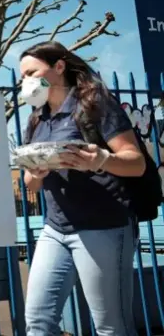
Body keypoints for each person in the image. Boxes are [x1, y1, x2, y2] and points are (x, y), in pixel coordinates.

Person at [19, 41, 144, 336]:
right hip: (55, 230)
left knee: (111, 327)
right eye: (22, 76)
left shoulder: (94, 104)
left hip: (103, 227)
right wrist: (36, 171)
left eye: (32, 72)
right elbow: (30, 183)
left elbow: (135, 163)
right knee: (38, 322)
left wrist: (100, 160)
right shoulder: (36, 119)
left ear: (59, 67)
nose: (26, 81)